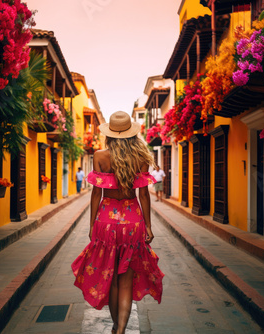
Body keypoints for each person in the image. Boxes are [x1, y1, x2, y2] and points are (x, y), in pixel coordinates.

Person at [71, 111, 164, 334]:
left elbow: (96, 194)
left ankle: (115, 327)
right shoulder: (140, 157)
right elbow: (143, 195)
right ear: (131, 134)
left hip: (106, 220)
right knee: (125, 280)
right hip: (133, 222)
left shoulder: (100, 155)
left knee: (110, 278)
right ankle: (121, 330)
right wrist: (149, 226)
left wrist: (92, 224)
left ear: (110, 134)